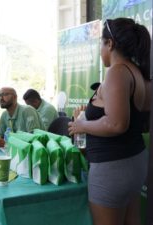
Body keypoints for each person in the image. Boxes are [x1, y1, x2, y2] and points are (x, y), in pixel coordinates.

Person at [68, 18, 151, 225]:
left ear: (110, 44)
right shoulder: (138, 73)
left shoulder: (117, 72)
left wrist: (82, 125)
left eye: (100, 43)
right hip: (134, 162)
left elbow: (116, 123)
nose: (99, 49)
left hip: (112, 169)